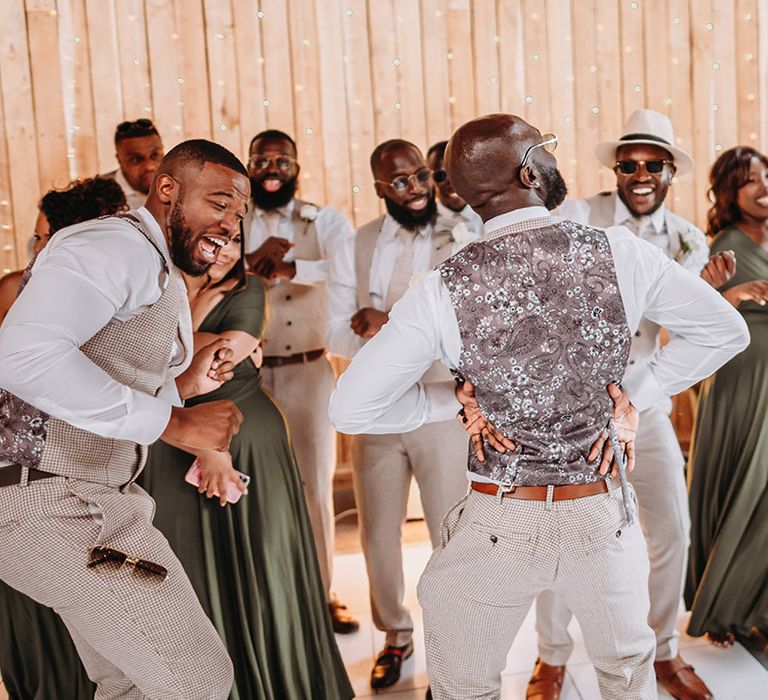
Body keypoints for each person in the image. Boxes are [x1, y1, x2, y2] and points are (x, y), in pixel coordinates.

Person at [329, 114, 749, 699]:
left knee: (467, 688)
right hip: (599, 513)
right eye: (545, 148)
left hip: (500, 519)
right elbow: (725, 331)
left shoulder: (441, 287)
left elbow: (351, 409)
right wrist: (635, 398)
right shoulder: (618, 251)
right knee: (625, 679)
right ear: (528, 170)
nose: (552, 156)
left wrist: (450, 398)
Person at [0, 139, 253, 698]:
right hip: (51, 504)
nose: (231, 225)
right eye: (219, 204)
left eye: (239, 214)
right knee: (198, 679)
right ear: (167, 190)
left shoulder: (149, 261)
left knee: (132, 683)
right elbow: (23, 356)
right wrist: (176, 425)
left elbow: (101, 366)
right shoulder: (115, 245)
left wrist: (181, 389)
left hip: (88, 500)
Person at [531, 108, 734, 700]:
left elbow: (685, 325)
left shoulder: (689, 239)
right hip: (571, 412)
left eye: (653, 165)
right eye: (629, 164)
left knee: (673, 528)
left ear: (671, 172)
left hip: (644, 406)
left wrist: (709, 294)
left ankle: (663, 651)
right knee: (559, 535)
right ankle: (551, 658)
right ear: (616, 170)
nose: (640, 174)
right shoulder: (577, 217)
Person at [139, 226, 354, 699]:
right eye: (214, 239)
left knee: (263, 558)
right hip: (167, 437)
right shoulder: (156, 283)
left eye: (236, 241)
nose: (225, 250)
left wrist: (179, 338)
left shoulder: (249, 289)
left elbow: (215, 356)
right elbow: (160, 355)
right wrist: (190, 319)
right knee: (186, 564)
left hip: (249, 436)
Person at [326, 138, 472, 690]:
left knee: (450, 532)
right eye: (400, 182)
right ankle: (396, 636)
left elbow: (466, 324)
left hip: (443, 410)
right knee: (378, 533)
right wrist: (366, 331)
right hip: (378, 411)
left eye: (420, 177)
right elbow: (334, 329)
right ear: (381, 188)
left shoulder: (465, 236)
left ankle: (452, 650)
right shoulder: (358, 245)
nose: (414, 190)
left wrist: (387, 325)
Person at [0, 176, 126, 700]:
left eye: (45, 240)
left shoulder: (116, 299)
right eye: (35, 239)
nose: (36, 254)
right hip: (27, 484)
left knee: (112, 650)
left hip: (90, 483)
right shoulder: (16, 289)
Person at [242, 129, 359, 634]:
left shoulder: (323, 219)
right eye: (262, 160)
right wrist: (251, 266)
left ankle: (321, 593)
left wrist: (291, 265)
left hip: (311, 370)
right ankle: (265, 595)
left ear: (296, 167)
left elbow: (350, 267)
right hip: (245, 375)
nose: (272, 168)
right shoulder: (234, 218)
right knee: (250, 488)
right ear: (249, 166)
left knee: (315, 487)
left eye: (282, 160)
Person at [685, 146, 768, 648]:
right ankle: (727, 607)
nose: (764, 187)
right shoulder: (722, 245)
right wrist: (733, 295)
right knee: (746, 483)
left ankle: (759, 605)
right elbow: (690, 316)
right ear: (729, 193)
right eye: (750, 180)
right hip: (742, 382)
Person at [0, 177, 127, 323]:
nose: (36, 248)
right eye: (37, 237)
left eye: (49, 237)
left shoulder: (111, 295)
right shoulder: (12, 288)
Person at [426, 140, 483, 239]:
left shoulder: (489, 217)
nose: (451, 183)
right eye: (440, 176)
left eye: (458, 172)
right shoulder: (424, 226)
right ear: (430, 180)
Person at [102, 118, 164, 209]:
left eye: (154, 155)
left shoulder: (179, 184)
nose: (149, 166)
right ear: (119, 159)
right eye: (136, 159)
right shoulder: (99, 196)